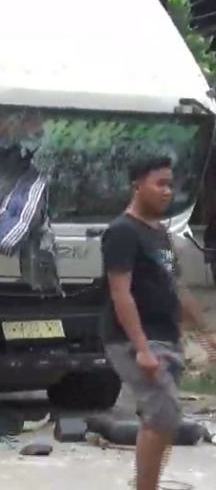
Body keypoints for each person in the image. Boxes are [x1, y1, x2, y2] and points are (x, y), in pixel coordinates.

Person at [102, 156, 216, 490]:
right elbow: (120, 293)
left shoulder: (160, 234)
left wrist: (205, 331)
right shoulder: (122, 232)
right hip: (133, 338)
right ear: (137, 185)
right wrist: (141, 349)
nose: (167, 191)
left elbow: (177, 287)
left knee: (163, 419)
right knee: (164, 414)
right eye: (160, 183)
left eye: (170, 184)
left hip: (166, 336)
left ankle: (146, 481)